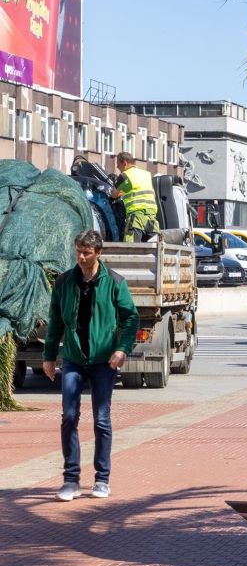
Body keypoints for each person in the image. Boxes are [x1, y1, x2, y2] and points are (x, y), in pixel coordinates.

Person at [43, 230, 137, 501]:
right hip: (73, 358)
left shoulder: (115, 283)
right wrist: (49, 356)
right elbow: (56, 322)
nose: (81, 257)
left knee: (102, 420)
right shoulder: (64, 282)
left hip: (103, 361)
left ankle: (102, 479)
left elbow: (130, 319)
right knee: (69, 417)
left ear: (98, 253)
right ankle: (71, 480)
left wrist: (122, 348)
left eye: (87, 253)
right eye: (78, 252)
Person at [109, 151, 160, 242]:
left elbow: (114, 194)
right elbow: (153, 194)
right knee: (154, 248)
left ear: (124, 163)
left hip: (136, 217)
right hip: (152, 218)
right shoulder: (146, 174)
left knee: (131, 249)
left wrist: (113, 188)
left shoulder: (125, 176)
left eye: (118, 164)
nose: (117, 167)